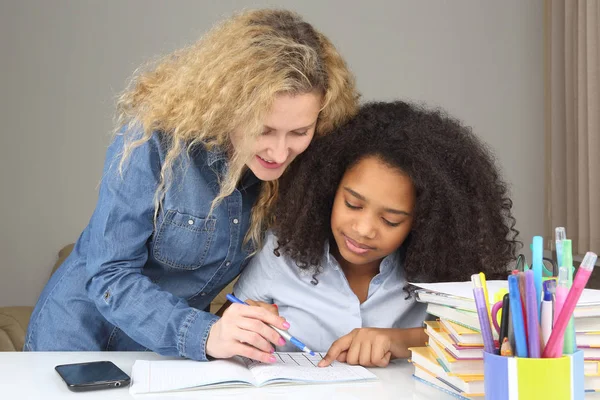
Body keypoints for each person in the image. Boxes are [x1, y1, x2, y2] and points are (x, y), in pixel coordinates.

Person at [24, 9, 359, 363]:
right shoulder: (153, 139)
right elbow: (110, 274)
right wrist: (206, 334)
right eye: (264, 129)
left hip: (167, 357)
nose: (279, 152)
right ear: (230, 104)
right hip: (75, 341)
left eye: (299, 132)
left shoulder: (298, 168)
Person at [233, 101, 520, 367]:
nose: (363, 229)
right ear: (329, 188)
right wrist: (246, 324)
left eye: (390, 220)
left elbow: (495, 336)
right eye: (352, 204)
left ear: (424, 222)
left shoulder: (442, 271)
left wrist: (400, 340)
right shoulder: (281, 251)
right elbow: (225, 328)